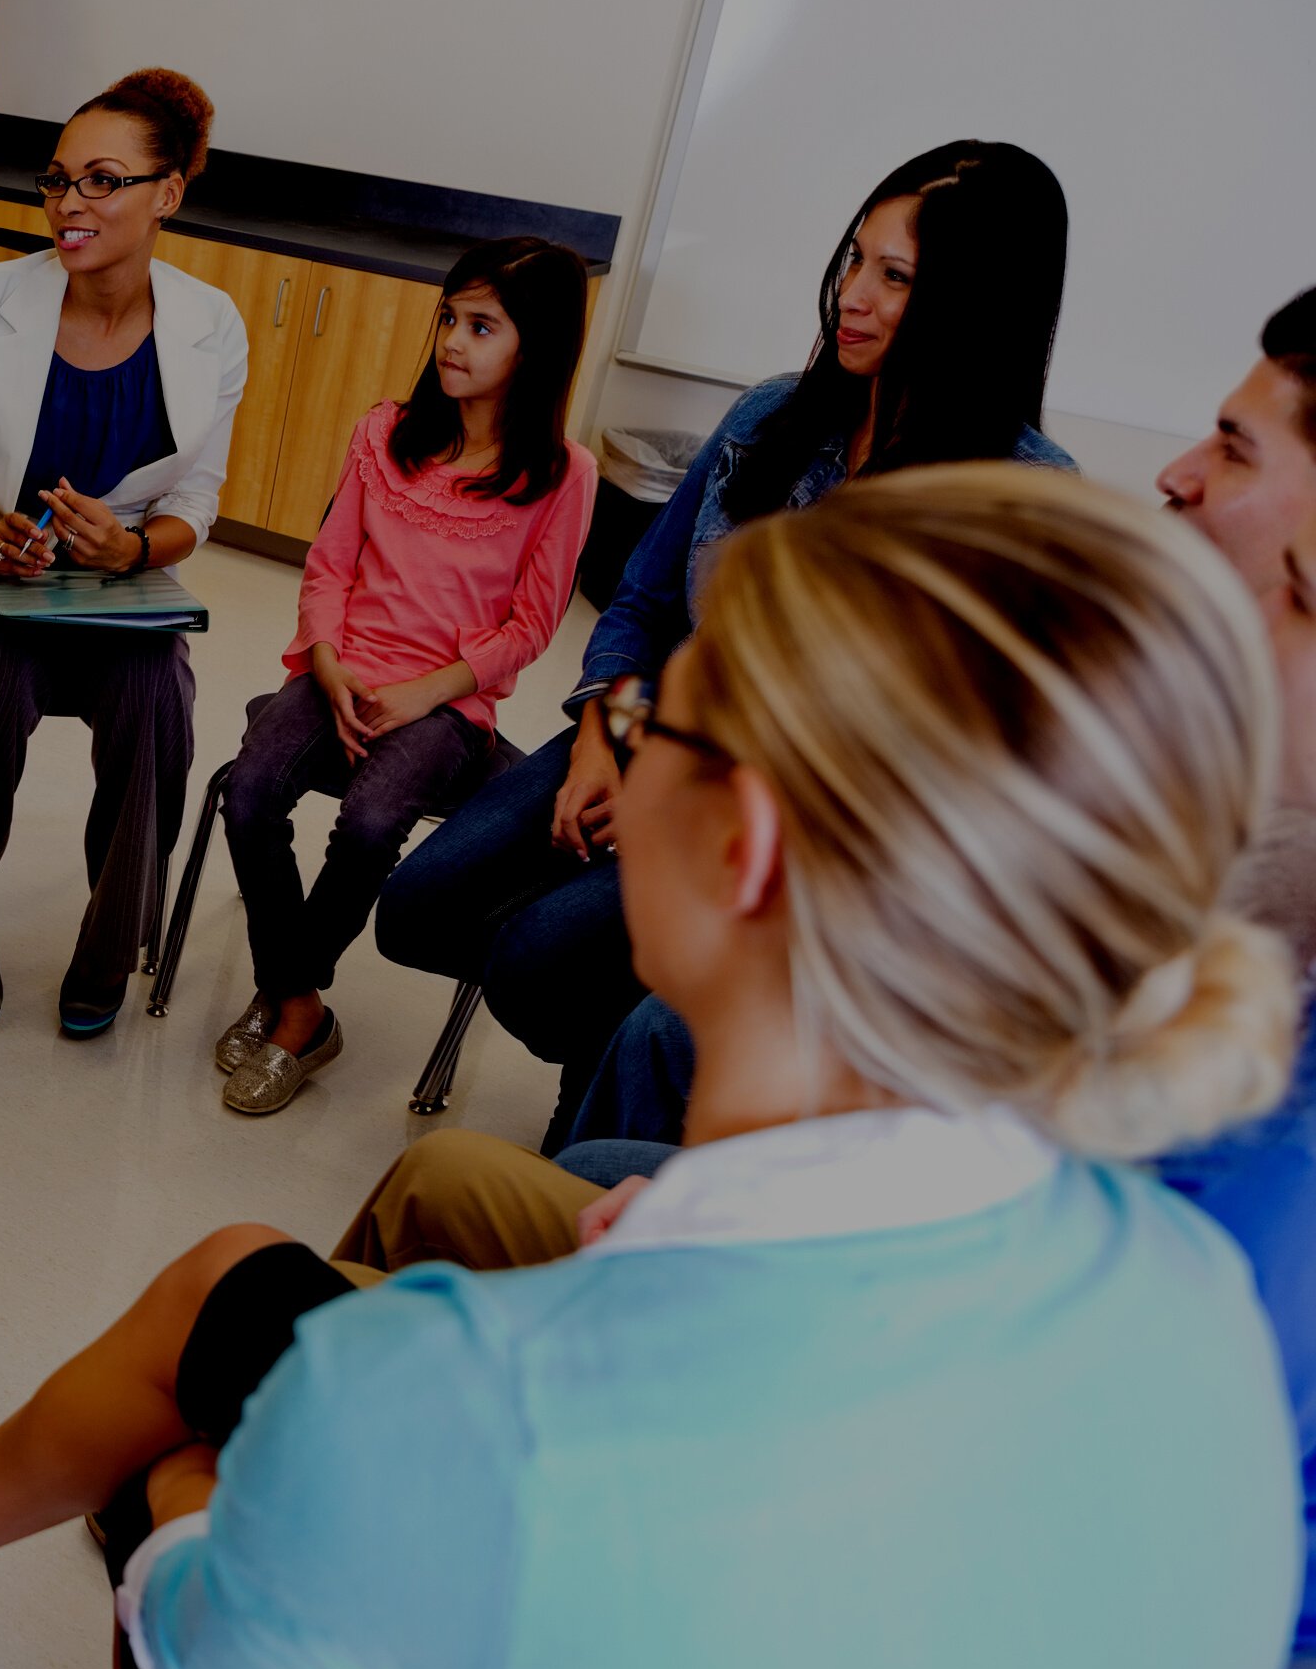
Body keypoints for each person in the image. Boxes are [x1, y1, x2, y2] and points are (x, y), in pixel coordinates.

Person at [0, 468, 1303, 1669]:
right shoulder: (1199, 1305)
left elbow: (195, 1641)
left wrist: (226, 1506)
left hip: (391, 1577)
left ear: (742, 842)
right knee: (242, 1292)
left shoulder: (471, 1402)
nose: (612, 740)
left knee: (190, 1473)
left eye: (647, 711)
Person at [436, 288, 1316, 1669]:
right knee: (552, 1133)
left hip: (959, 1586)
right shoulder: (1208, 792)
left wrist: (755, 1233)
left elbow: (1006, 1467)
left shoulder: (1241, 1195)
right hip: (892, 1350)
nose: (1176, 472)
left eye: (1234, 449)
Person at [375, 141, 1077, 1139]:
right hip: (649, 730)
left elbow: (963, 774)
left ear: (977, 303)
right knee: (416, 913)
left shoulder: (1022, 504)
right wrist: (608, 736)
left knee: (536, 965)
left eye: (896, 277)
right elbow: (642, 606)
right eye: (854, 260)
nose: (854, 297)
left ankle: (613, 1097)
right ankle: (618, 1069)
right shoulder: (770, 418)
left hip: (782, 832)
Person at [0, 69, 245, 1037]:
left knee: (158, 690)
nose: (70, 205)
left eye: (102, 181)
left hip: (113, 585)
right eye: (57, 181)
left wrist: (133, 548)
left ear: (168, 193)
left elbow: (195, 502)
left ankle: (111, 947)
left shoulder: (211, 327)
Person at [213, 236, 593, 1114]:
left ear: (534, 346)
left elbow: (531, 628)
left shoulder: (564, 476)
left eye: (482, 326)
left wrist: (425, 692)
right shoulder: (384, 434)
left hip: (446, 703)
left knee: (377, 817)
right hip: (340, 667)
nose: (454, 341)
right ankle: (299, 998)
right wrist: (327, 662)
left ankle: (286, 1003)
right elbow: (329, 566)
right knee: (250, 790)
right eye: (449, 319)